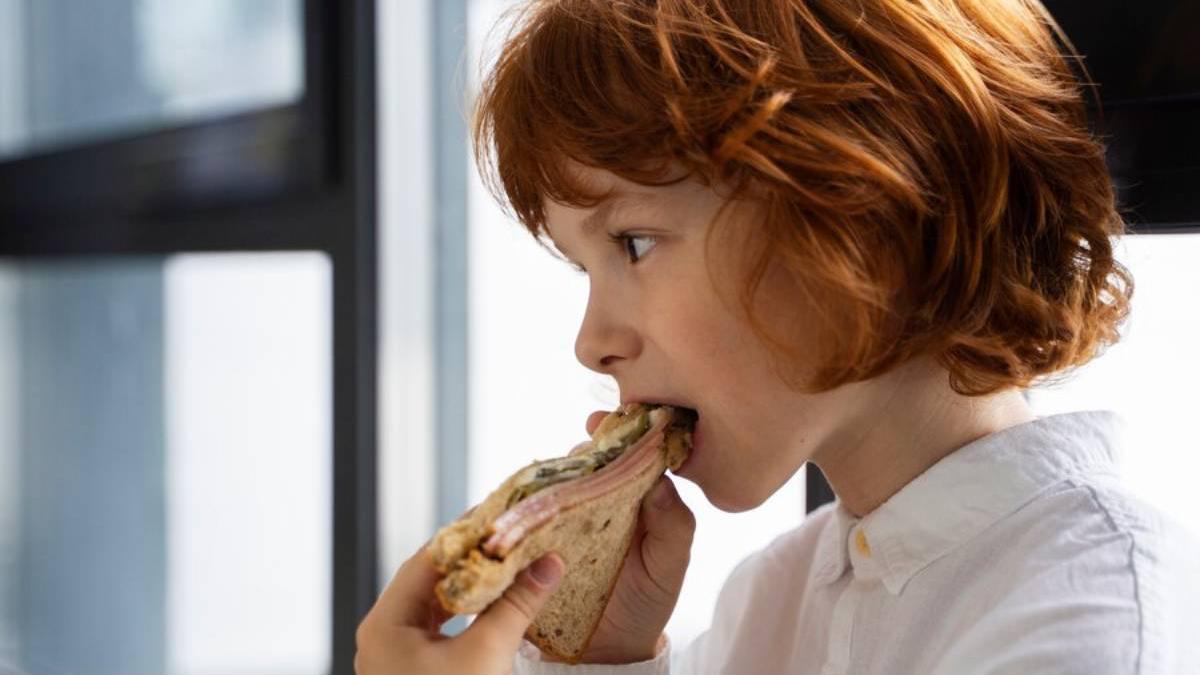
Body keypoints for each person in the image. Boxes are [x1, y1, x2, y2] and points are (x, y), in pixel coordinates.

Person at [354, 1, 1200, 673]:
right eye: (585, 269)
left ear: (864, 218)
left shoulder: (1093, 623)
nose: (592, 342)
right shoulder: (769, 599)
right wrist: (607, 658)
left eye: (633, 243)